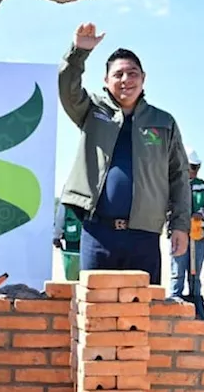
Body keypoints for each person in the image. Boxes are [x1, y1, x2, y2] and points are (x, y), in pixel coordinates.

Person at [56, 22, 190, 285]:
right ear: (106, 81)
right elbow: (67, 88)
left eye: (132, 73)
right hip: (98, 232)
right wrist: (79, 52)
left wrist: (181, 225)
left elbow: (178, 176)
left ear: (143, 78)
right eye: (118, 75)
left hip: (144, 235)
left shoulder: (163, 121)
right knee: (95, 310)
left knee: (139, 313)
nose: (126, 80)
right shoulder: (91, 110)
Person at [170, 148, 204, 301]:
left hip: (198, 235)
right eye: (192, 167)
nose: (194, 171)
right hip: (179, 234)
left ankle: (195, 299)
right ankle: (175, 298)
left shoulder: (202, 186)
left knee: (195, 271)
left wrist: (201, 213)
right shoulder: (174, 186)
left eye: (196, 167)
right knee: (178, 269)